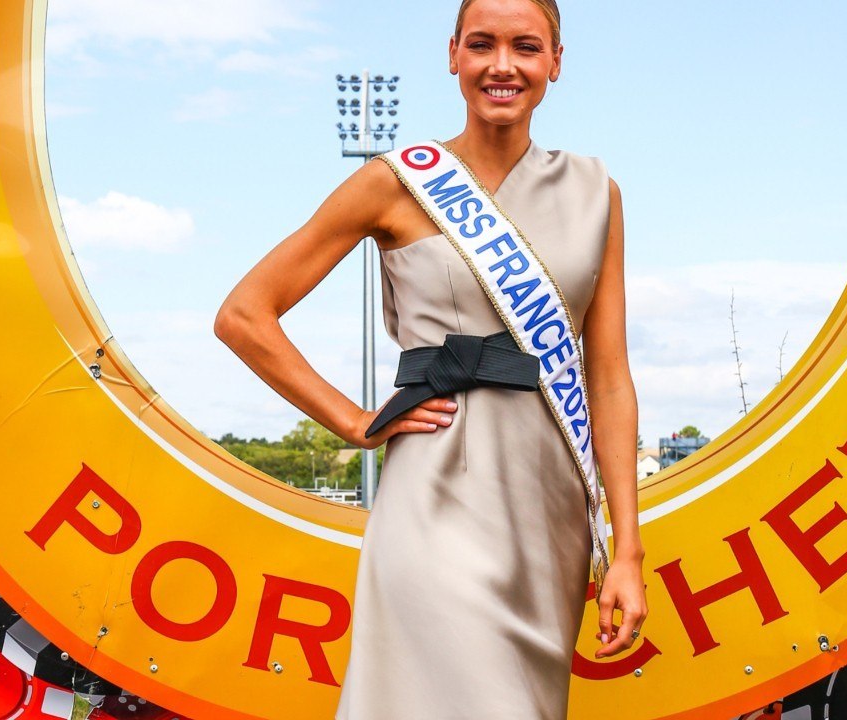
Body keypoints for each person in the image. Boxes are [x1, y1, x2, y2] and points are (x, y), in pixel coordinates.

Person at [214, 0, 646, 716]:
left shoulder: (596, 193)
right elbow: (243, 315)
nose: (502, 66)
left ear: (555, 61)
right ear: (453, 55)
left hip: (550, 513)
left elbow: (607, 378)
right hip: (434, 491)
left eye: (526, 47)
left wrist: (625, 549)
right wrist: (352, 421)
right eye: (481, 45)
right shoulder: (396, 180)